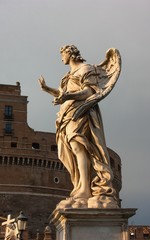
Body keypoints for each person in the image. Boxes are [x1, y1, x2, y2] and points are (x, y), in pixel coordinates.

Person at [38, 45, 119, 206]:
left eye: (63, 54)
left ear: (70, 54)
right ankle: (80, 185)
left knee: (78, 145)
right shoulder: (68, 75)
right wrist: (47, 89)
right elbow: (63, 94)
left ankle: (85, 189)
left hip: (81, 112)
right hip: (66, 114)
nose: (62, 58)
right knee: (70, 150)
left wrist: (68, 96)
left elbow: (89, 92)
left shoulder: (86, 69)